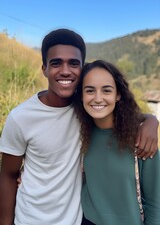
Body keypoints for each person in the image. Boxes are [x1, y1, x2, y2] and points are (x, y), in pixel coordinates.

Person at [0, 29, 159, 225]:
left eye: (73, 63)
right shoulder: (21, 117)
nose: (65, 70)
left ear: (81, 69)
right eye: (56, 63)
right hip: (30, 219)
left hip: (76, 220)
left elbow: (115, 112)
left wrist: (151, 120)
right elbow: (8, 175)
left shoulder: (86, 110)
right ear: (44, 69)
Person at [74, 60, 160, 225]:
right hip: (86, 220)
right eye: (90, 90)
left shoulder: (142, 138)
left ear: (118, 95)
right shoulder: (80, 133)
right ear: (82, 95)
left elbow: (155, 203)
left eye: (106, 90)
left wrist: (151, 119)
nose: (98, 98)